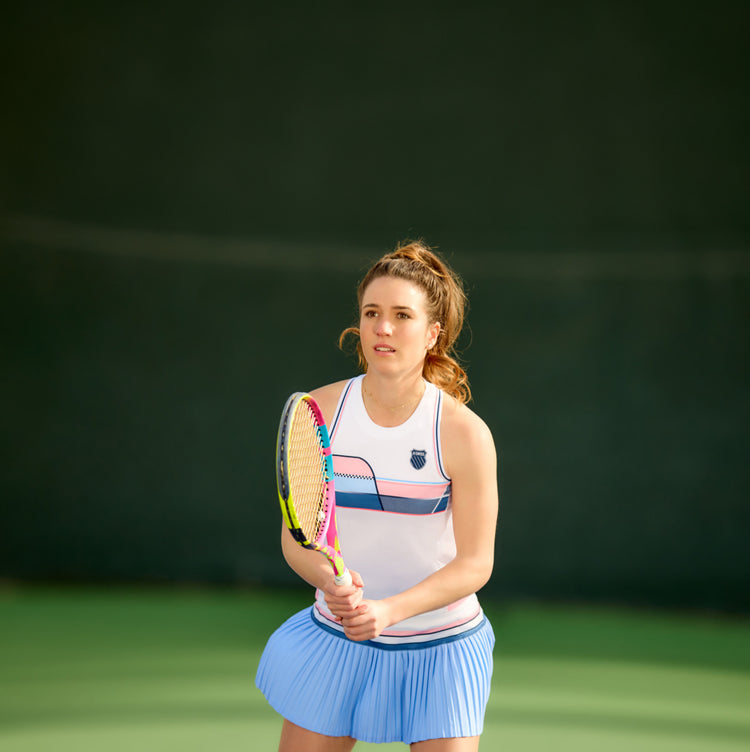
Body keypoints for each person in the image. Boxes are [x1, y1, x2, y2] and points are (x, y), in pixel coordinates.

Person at [256, 240, 499, 751]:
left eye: (401, 315)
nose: (382, 328)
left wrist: (388, 611)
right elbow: (297, 536)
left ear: (433, 333)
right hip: (338, 638)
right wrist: (332, 582)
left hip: (443, 648)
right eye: (372, 313)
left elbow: (475, 565)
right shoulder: (319, 412)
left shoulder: (464, 433)